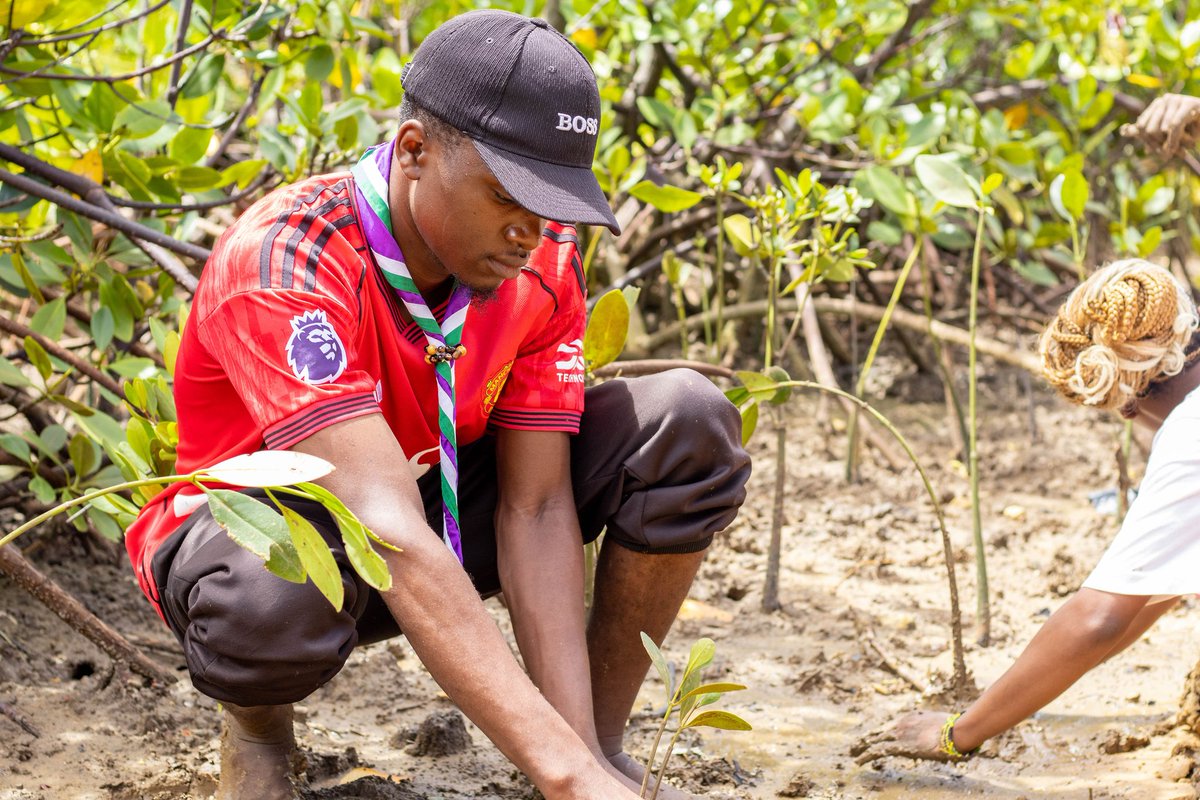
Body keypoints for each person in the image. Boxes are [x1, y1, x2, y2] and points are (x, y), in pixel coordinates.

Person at [122, 10, 751, 799]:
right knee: (266, 597)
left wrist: (579, 756)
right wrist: (564, 780)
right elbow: (382, 525)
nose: (531, 231)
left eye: (552, 202)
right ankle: (258, 729)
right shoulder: (287, 255)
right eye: (506, 195)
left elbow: (537, 505)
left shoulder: (542, 258)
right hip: (276, 529)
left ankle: (600, 740)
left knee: (686, 420)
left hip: (436, 510)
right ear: (415, 150)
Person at [853, 258, 1200, 764]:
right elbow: (1142, 602)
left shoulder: (1189, 434)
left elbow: (1098, 621)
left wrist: (958, 732)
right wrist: (1016, 701)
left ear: (1121, 404)